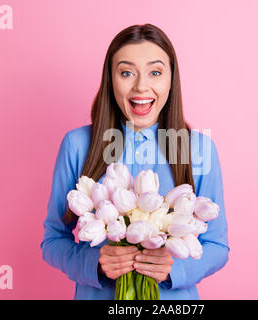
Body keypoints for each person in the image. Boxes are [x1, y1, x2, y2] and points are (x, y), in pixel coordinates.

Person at [40, 23, 229, 300]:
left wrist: (175, 267)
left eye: (155, 72)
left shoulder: (199, 149)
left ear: (171, 79)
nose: (141, 86)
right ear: (111, 79)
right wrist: (94, 263)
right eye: (127, 73)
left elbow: (217, 246)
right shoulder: (78, 144)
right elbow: (53, 240)